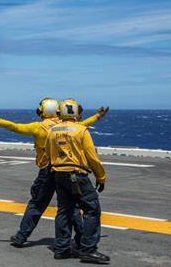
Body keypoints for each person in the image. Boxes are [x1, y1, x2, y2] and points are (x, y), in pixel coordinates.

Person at [0, 99, 108, 249]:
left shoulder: (38, 127)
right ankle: (80, 240)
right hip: (64, 171)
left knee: (37, 204)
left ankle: (21, 236)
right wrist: (98, 116)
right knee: (70, 208)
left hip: (47, 172)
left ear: (42, 111)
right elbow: (83, 125)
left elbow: (14, 127)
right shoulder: (64, 125)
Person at [44, 98, 110, 263]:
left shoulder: (52, 131)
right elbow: (92, 157)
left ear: (60, 112)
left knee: (64, 211)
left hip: (59, 175)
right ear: (77, 113)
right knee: (92, 210)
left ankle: (61, 249)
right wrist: (101, 177)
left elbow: (46, 153)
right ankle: (88, 249)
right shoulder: (81, 130)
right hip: (77, 176)